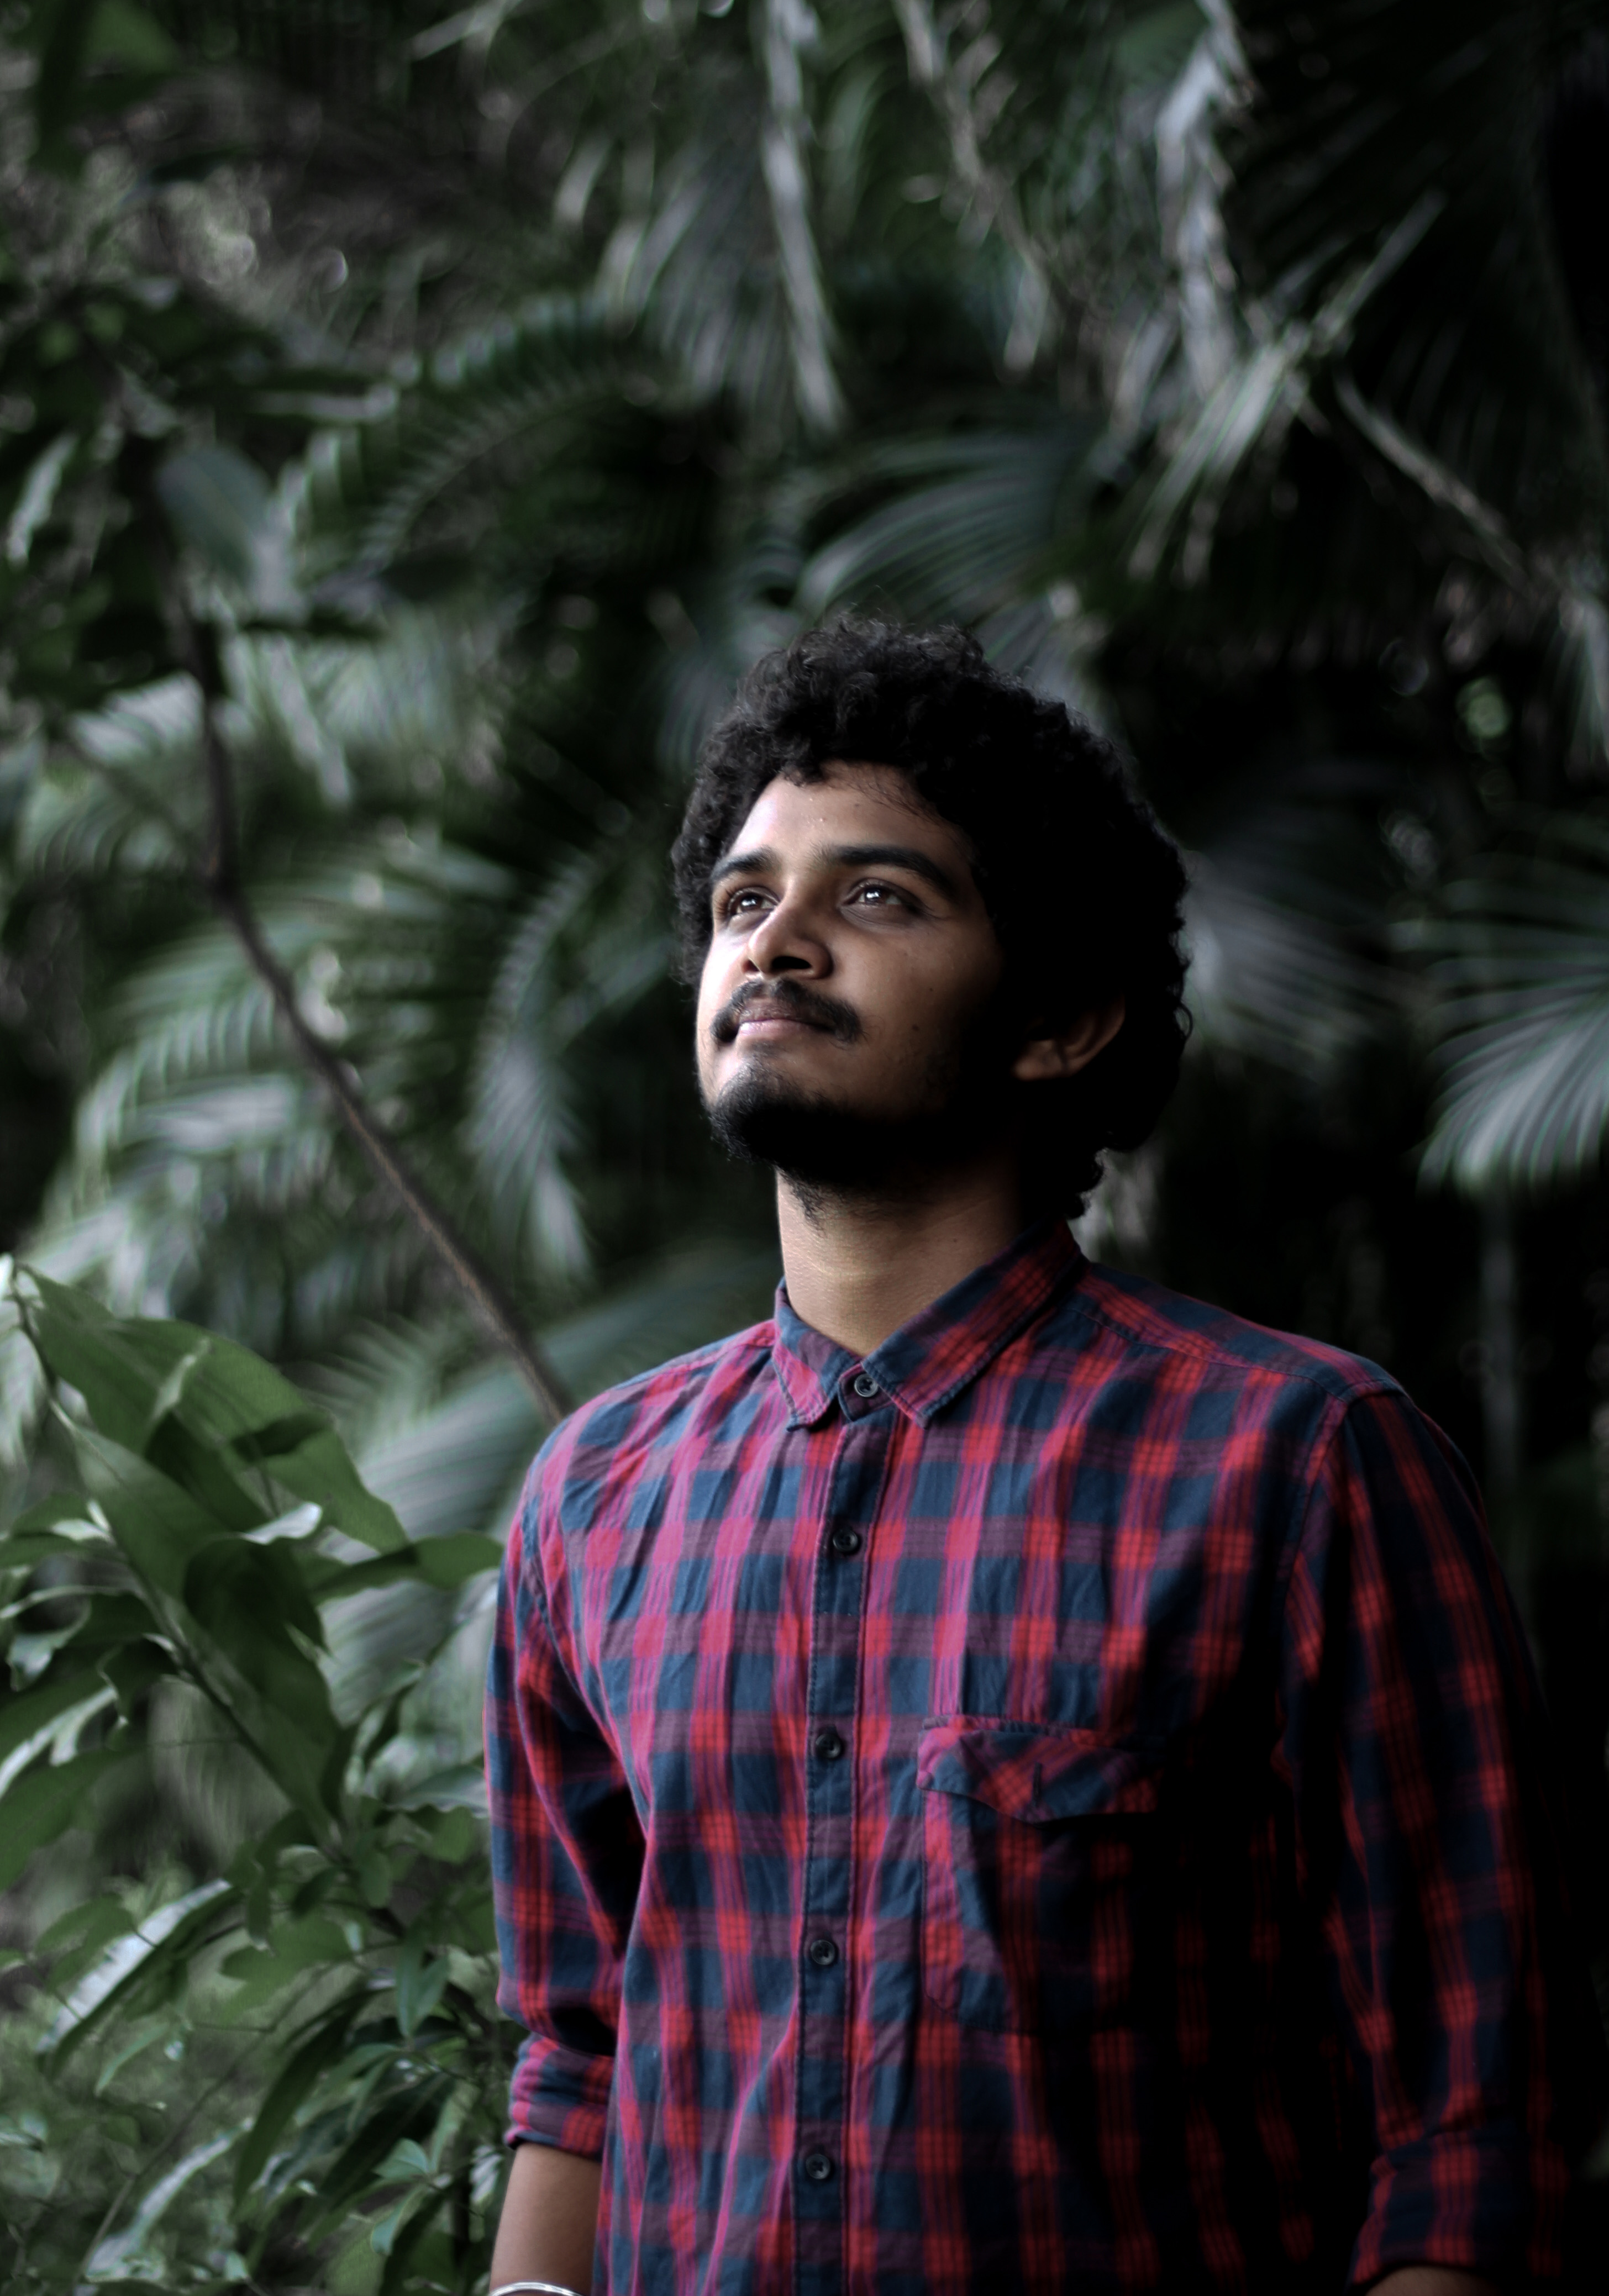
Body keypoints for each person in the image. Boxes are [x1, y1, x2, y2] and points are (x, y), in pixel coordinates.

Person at [485, 618, 1601, 2296]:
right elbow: (581, 2056)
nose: (775, 941)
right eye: (741, 900)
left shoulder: (1298, 1466)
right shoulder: (595, 1499)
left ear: (1063, 1019)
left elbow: (1470, 2133)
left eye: (878, 896)